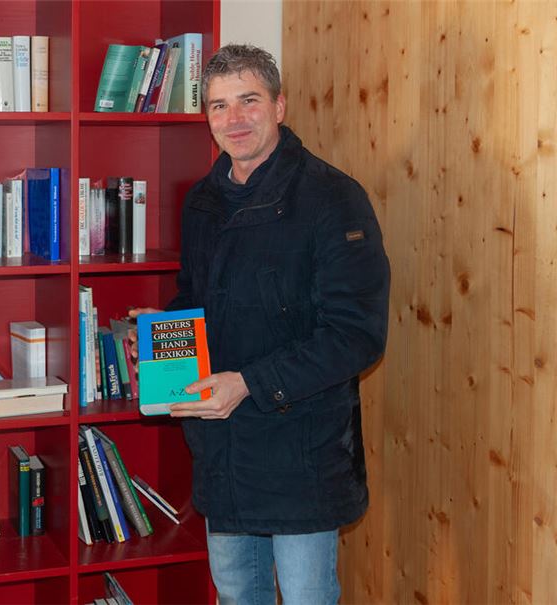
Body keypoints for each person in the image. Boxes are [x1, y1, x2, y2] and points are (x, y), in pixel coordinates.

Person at [130, 45, 390, 604]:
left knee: (305, 597)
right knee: (236, 596)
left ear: (280, 106)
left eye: (249, 100)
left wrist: (248, 383)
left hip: (301, 449)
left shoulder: (334, 199)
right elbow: (195, 300)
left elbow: (356, 334)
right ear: (207, 118)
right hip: (222, 448)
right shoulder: (201, 200)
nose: (234, 119)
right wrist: (162, 332)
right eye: (219, 106)